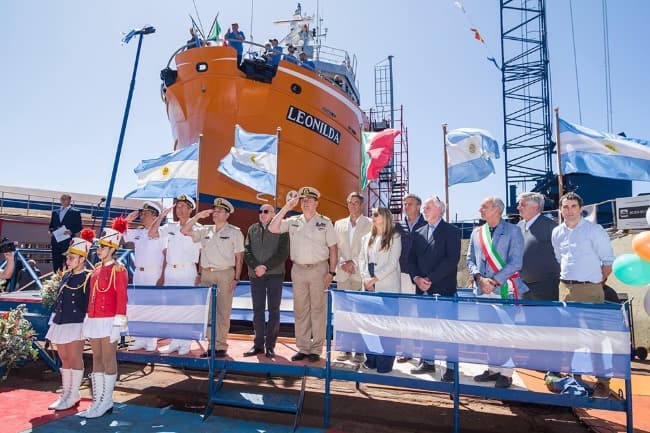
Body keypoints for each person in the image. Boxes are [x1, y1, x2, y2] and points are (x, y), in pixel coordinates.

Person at [551, 191, 615, 398]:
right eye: (565, 207)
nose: (569, 211)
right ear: (560, 210)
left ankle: (603, 382)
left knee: (596, 338)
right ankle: (574, 378)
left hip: (591, 289)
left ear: (581, 209)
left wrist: (597, 283)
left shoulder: (594, 230)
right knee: (568, 337)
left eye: (573, 207)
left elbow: (607, 263)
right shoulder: (557, 232)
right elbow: (559, 258)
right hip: (565, 290)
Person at [269, 186, 338, 363]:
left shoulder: (325, 222)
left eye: (309, 200)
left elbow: (333, 248)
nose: (306, 202)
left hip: (318, 269)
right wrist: (286, 208)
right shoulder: (293, 220)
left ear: (316, 203)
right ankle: (303, 347)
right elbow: (273, 228)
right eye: (303, 200)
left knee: (317, 310)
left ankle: (316, 349)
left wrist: (331, 272)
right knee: (300, 310)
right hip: (298, 269)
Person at [467, 196, 529, 389]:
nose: (480, 210)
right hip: (482, 289)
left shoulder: (513, 231)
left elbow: (516, 262)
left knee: (506, 333)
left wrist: (494, 281)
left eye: (484, 206)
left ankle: (507, 373)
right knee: (488, 332)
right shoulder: (477, 233)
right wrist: (479, 278)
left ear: (497, 209)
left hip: (503, 289)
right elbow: (469, 259)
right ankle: (492, 369)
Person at [181, 197, 244, 358]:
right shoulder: (205, 230)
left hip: (225, 274)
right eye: (214, 210)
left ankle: (220, 346)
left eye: (220, 211)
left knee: (223, 311)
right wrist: (197, 217)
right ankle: (211, 345)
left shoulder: (234, 232)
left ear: (227, 215)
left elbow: (239, 257)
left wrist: (236, 278)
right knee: (208, 311)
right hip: (207, 274)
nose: (215, 213)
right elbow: (184, 231)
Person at [79, 219, 128, 419]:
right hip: (95, 320)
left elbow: (122, 298)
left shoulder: (119, 270)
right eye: (99, 246)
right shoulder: (96, 271)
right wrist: (87, 318)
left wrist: (118, 324)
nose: (99, 250)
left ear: (113, 248)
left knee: (108, 359)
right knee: (96, 359)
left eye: (103, 247)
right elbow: (92, 296)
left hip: (109, 321)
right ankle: (97, 401)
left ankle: (107, 400)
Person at [408, 196, 461, 379]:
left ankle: (452, 368)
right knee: (426, 328)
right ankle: (428, 362)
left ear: (440, 209)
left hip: (444, 289)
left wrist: (430, 278)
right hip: (422, 290)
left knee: (448, 330)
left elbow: (451, 260)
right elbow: (411, 260)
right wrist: (416, 278)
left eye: (428, 207)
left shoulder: (451, 231)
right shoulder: (418, 232)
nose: (424, 210)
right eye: (424, 208)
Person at [45, 229, 94, 411]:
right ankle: (66, 393)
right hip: (61, 321)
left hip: (76, 321)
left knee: (74, 358)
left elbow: (89, 301)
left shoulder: (89, 276)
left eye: (72, 258)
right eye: (68, 257)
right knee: (64, 358)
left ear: (82, 258)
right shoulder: (66, 275)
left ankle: (73, 393)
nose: (68, 261)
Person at [148, 195, 202, 356]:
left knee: (186, 309)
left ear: (191, 209)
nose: (180, 209)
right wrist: (161, 216)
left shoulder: (198, 228)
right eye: (177, 207)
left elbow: (204, 252)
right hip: (171, 271)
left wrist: (199, 273)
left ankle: (185, 343)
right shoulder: (170, 226)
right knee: (173, 309)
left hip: (187, 271)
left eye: (183, 206)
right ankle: (175, 341)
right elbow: (152, 233)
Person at [358, 207, 401, 373]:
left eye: (376, 214)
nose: (373, 217)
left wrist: (375, 279)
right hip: (368, 286)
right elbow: (362, 259)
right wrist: (365, 279)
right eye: (373, 214)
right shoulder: (366, 237)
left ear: (385, 217)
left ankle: (385, 363)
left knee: (387, 327)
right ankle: (371, 359)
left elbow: (392, 264)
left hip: (387, 287)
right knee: (370, 325)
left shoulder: (395, 237)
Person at [243, 204, 289, 359]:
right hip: (256, 275)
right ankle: (258, 345)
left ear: (273, 214)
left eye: (266, 211)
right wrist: (257, 266)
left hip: (275, 274)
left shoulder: (282, 228)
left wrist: (266, 266)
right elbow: (247, 251)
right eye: (260, 211)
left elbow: (283, 253)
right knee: (257, 310)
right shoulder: (252, 229)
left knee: (274, 311)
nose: (262, 214)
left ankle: (270, 346)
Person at [334, 192, 372, 362]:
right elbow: (335, 248)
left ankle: (359, 351)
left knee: (359, 314)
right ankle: (345, 349)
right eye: (350, 202)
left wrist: (353, 263)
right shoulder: (339, 224)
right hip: (342, 274)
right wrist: (343, 263)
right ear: (347, 204)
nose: (353, 205)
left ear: (362, 205)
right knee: (343, 314)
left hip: (359, 274)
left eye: (356, 202)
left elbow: (369, 249)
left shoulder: (370, 224)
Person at [123, 201, 165, 352]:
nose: (143, 216)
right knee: (138, 306)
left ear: (155, 216)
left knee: (152, 307)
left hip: (154, 273)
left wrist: (162, 277)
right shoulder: (139, 233)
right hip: (138, 273)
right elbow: (121, 234)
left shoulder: (162, 233)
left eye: (146, 214)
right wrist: (128, 219)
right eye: (142, 213)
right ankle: (140, 338)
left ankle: (152, 339)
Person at [393, 193, 426, 363]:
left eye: (410, 204)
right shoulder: (399, 226)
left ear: (419, 206)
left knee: (422, 315)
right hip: (404, 275)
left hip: (422, 277)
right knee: (405, 315)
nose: (406, 207)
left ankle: (424, 354)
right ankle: (406, 351)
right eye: (405, 204)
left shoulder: (426, 225)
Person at [517, 192, 560, 301]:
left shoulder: (551, 227)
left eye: (522, 204)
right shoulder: (519, 227)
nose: (518, 207)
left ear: (535, 207)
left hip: (547, 289)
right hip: (523, 288)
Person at [48, 194, 82, 272]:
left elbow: (79, 227)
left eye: (65, 199)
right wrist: (50, 231)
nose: (63, 200)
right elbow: (51, 226)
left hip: (68, 241)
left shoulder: (75, 212)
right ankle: (56, 279)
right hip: (56, 241)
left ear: (69, 201)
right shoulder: (55, 212)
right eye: (62, 199)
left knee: (68, 261)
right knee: (56, 261)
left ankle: (67, 279)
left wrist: (71, 231)